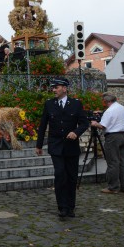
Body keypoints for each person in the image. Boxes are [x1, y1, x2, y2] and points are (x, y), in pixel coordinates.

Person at [36, 78, 89, 218]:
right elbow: (42, 125)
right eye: (53, 87)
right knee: (60, 175)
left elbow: (84, 123)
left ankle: (71, 207)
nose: (53, 90)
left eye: (56, 87)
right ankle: (62, 207)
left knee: (71, 177)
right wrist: (39, 145)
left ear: (64, 88)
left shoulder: (76, 104)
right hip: (56, 146)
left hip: (71, 146)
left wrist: (76, 132)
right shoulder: (49, 104)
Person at [90, 93, 124, 194]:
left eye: (104, 102)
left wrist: (95, 123)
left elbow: (102, 126)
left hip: (113, 137)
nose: (104, 104)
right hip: (123, 136)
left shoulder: (109, 111)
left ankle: (113, 187)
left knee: (113, 162)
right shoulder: (122, 108)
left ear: (107, 101)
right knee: (123, 162)